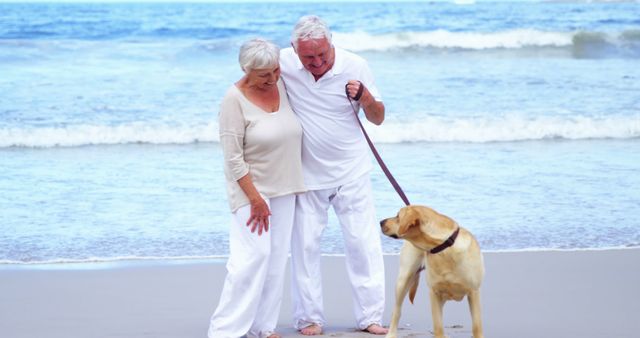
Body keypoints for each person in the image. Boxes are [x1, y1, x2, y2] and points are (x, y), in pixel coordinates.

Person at [279, 15, 388, 336]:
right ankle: (308, 318)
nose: (316, 62)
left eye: (322, 55)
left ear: (332, 45)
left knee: (362, 244)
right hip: (306, 174)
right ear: (294, 50)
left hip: (351, 171)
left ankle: (370, 317)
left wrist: (366, 98)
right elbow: (252, 80)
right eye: (308, 57)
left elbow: (378, 118)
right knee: (305, 247)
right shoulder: (283, 63)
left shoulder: (356, 65)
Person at [208, 38, 306, 338]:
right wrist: (256, 199)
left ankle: (263, 327)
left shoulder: (283, 85)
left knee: (276, 259)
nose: (272, 78)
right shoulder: (232, 99)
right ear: (245, 69)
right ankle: (224, 330)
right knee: (251, 259)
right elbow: (233, 158)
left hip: (287, 187)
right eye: (264, 74)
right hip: (252, 192)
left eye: (275, 70)